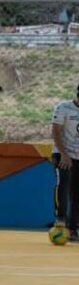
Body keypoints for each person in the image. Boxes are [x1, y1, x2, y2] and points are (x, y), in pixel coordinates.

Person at [51, 85, 79, 241]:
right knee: (64, 182)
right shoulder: (64, 107)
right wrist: (64, 154)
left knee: (76, 192)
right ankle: (61, 218)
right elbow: (55, 131)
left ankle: (73, 228)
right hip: (62, 153)